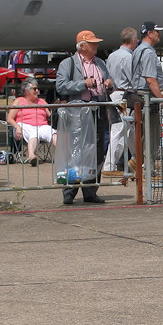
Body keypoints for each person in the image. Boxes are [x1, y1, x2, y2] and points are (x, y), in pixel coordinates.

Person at [54, 30, 113, 204]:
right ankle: (69, 191)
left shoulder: (100, 63)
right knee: (76, 151)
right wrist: (83, 84)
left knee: (98, 150)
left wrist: (109, 84)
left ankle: (90, 191)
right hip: (78, 112)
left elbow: (109, 81)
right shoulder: (68, 64)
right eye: (92, 43)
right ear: (82, 46)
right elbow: (61, 86)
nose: (96, 46)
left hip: (99, 110)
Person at [102, 27, 139, 176]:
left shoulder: (112, 56)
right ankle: (109, 166)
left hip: (114, 93)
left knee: (128, 129)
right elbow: (133, 79)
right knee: (120, 130)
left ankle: (138, 159)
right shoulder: (129, 57)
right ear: (133, 41)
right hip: (124, 95)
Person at [130, 21, 163, 165]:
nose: (159, 34)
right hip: (147, 97)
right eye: (157, 31)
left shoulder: (139, 49)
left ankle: (137, 162)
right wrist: (160, 98)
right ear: (150, 33)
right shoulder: (148, 52)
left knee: (144, 134)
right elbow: (150, 79)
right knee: (152, 134)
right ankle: (148, 168)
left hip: (140, 95)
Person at [6, 78, 53, 167]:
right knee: (33, 134)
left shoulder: (41, 101)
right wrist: (17, 127)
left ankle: (65, 156)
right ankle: (32, 156)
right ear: (26, 91)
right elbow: (9, 118)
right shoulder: (19, 101)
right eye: (35, 89)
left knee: (53, 133)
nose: (37, 91)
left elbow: (50, 115)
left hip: (42, 125)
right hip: (24, 125)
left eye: (37, 88)